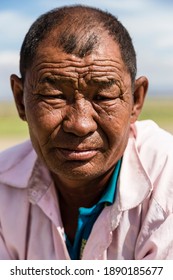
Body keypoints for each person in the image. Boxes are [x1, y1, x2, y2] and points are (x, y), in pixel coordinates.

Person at [0, 5, 173, 260]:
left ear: (136, 101)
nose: (80, 124)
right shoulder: (4, 186)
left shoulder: (166, 182)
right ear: (20, 100)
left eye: (103, 96)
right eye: (54, 96)